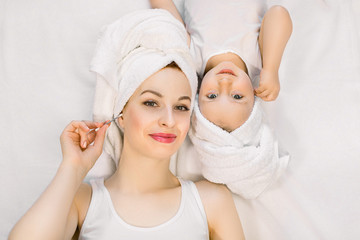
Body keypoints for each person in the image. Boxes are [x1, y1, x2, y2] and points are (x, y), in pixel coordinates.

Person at [9, 9, 245, 240]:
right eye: (151, 103)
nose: (169, 120)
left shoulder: (211, 201)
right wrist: (73, 167)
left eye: (181, 107)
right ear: (120, 112)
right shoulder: (84, 201)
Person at [150, 0, 292, 199]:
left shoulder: (193, 57)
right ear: (253, 95)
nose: (224, 83)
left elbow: (164, 9)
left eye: (212, 96)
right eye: (237, 96)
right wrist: (271, 68)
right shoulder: (258, 60)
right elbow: (279, 14)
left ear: (198, 95)